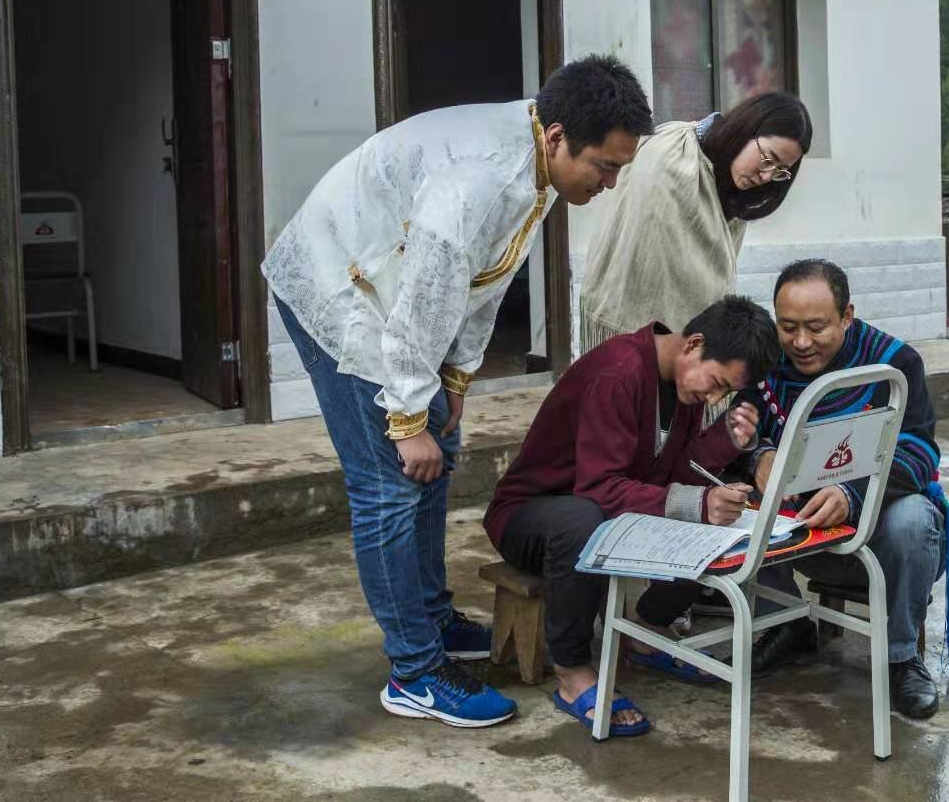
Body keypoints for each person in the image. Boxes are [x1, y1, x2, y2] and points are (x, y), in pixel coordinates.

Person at [263, 54, 653, 730]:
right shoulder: (476, 182)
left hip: (387, 279)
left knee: (438, 454)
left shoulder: (533, 162)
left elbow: (481, 282)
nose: (611, 183)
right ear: (559, 137)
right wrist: (408, 415)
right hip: (337, 283)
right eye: (606, 167)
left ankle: (433, 620)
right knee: (389, 481)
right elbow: (421, 300)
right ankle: (413, 672)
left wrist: (453, 384)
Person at [484, 296, 779, 737]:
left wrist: (725, 443)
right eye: (716, 383)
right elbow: (600, 488)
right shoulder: (619, 372)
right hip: (531, 516)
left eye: (725, 393)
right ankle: (571, 672)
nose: (714, 397)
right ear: (693, 343)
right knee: (585, 520)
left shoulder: (684, 383)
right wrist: (697, 503)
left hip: (597, 510)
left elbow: (667, 476)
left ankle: (646, 629)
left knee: (722, 521)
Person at [745, 259, 947, 720]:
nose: (800, 342)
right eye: (788, 326)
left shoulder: (894, 363)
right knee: (738, 500)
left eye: (816, 327)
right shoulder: (765, 363)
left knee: (914, 518)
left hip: (876, 531)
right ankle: (789, 623)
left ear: (847, 316)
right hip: (796, 529)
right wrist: (758, 455)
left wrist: (852, 493)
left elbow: (919, 453)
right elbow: (741, 428)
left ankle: (901, 658)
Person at [577, 91, 813, 352]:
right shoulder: (672, 155)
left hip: (689, 345)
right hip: (626, 329)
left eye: (780, 172)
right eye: (768, 158)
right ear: (747, 128)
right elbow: (647, 258)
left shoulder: (733, 187)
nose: (766, 175)